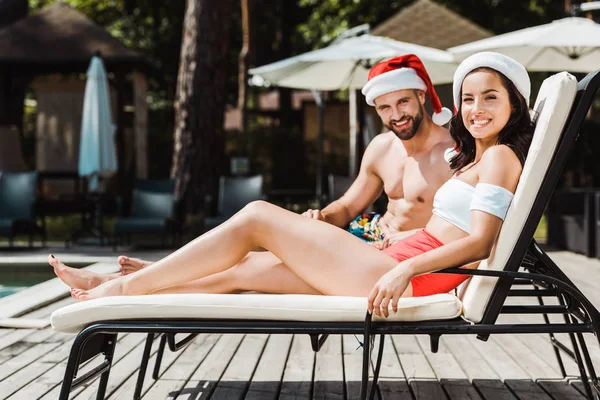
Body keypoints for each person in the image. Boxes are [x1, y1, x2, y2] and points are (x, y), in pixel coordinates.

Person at [50, 52, 535, 318]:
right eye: (468, 98)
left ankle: (125, 286)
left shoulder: (499, 157)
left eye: (490, 98)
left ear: (515, 102)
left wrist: (401, 271)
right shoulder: (479, 156)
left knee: (258, 216)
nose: (476, 109)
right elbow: (435, 227)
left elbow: (480, 241)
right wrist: (333, 227)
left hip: (407, 276)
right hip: (392, 259)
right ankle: (117, 285)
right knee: (246, 271)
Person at [116, 54, 454, 284]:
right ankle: (157, 273)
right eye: (385, 107)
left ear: (422, 96)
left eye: (403, 102)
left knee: (252, 264)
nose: (396, 115)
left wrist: (405, 237)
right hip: (368, 236)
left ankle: (152, 275)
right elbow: (350, 207)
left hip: (401, 255)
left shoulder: (454, 153)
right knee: (257, 252)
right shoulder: (381, 147)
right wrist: (322, 216)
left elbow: (458, 230)